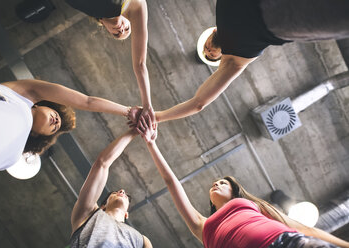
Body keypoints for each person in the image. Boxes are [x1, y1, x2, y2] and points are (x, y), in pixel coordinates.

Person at [136, 115, 349, 248]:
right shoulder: (201, 225)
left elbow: (307, 229)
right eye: (216, 183)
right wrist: (151, 144)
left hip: (289, 242)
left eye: (223, 183)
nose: (216, 184)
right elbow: (172, 182)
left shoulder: (253, 206)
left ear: (236, 192)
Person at [154, 0, 349, 123]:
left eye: (205, 47)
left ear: (210, 32)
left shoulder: (222, 8)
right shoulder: (235, 60)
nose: (209, 49)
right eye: (211, 54)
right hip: (297, 15)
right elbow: (198, 103)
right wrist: (157, 117)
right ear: (220, 58)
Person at [0, 79, 139, 180]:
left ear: (36, 135)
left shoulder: (14, 156)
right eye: (56, 116)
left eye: (55, 129)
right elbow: (87, 101)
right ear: (40, 105)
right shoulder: (23, 94)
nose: (56, 122)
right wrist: (127, 111)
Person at [65, 0, 154, 122]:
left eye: (116, 34)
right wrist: (147, 105)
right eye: (127, 28)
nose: (121, 30)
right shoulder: (137, 7)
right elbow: (140, 64)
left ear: (104, 26)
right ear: (130, 21)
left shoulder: (85, 6)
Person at [70, 128, 152, 247]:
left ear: (126, 214)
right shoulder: (89, 214)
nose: (122, 191)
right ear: (103, 206)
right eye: (114, 193)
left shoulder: (141, 240)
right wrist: (135, 130)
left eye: (127, 196)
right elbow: (102, 164)